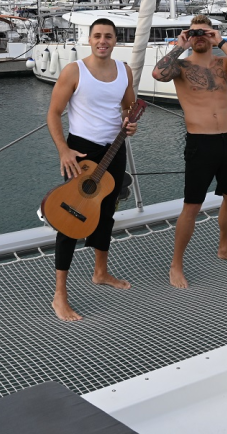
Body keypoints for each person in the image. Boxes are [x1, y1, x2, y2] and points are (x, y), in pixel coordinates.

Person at [152, 14, 227, 288]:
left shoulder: (224, 63)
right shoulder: (181, 66)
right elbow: (157, 74)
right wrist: (180, 44)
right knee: (192, 206)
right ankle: (176, 264)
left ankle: (224, 248)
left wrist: (220, 40)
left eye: (204, 33)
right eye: (194, 32)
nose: (199, 37)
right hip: (200, 142)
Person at [46, 18, 138, 321]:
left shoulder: (124, 71)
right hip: (80, 152)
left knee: (105, 213)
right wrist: (63, 150)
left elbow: (128, 106)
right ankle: (60, 295)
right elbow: (54, 113)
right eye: (97, 36)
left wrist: (129, 123)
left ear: (115, 40)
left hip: (114, 150)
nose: (103, 41)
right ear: (89, 39)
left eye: (108, 36)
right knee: (70, 219)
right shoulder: (75, 71)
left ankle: (100, 272)